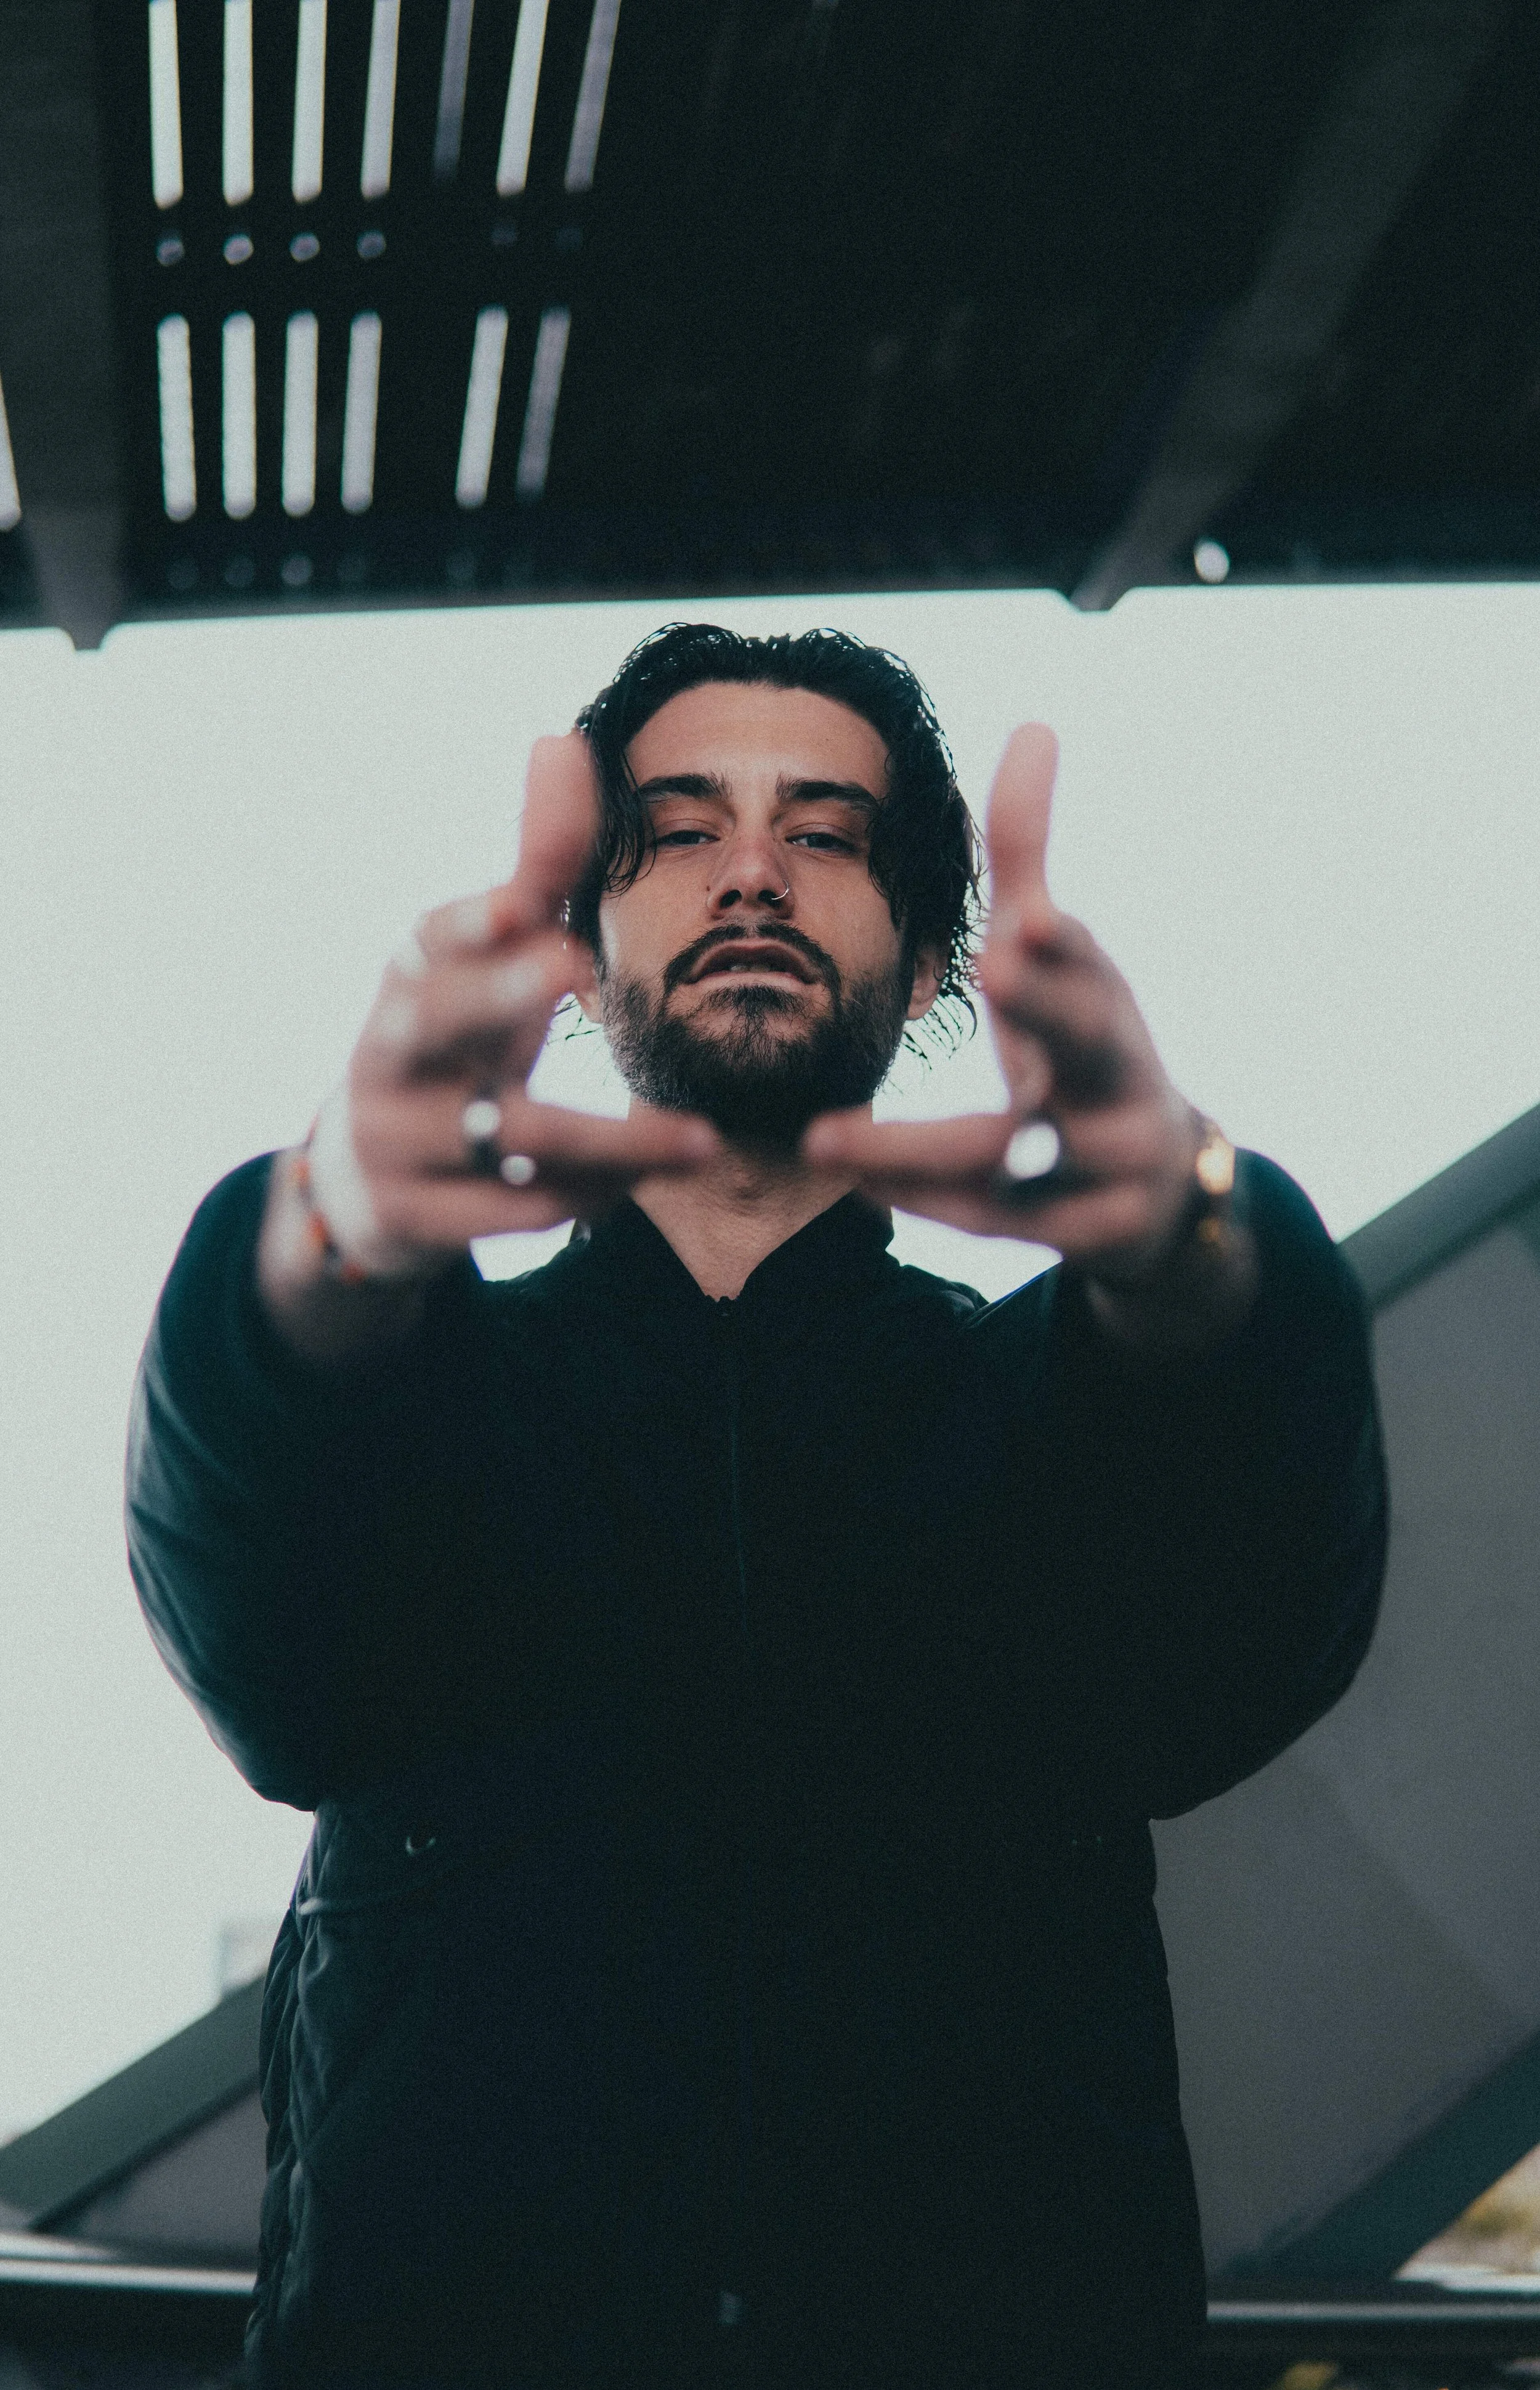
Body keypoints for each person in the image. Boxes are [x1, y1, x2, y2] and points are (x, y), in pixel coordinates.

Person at [126, 623, 1386, 2390]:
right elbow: (261, 1650)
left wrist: (1203, 1243)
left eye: (827, 830)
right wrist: (321, 1237)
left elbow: (1254, 1636)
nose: (751, 871)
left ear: (933, 949)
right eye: (679, 825)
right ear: (576, 947)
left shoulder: (1053, 1408)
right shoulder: (417, 1391)